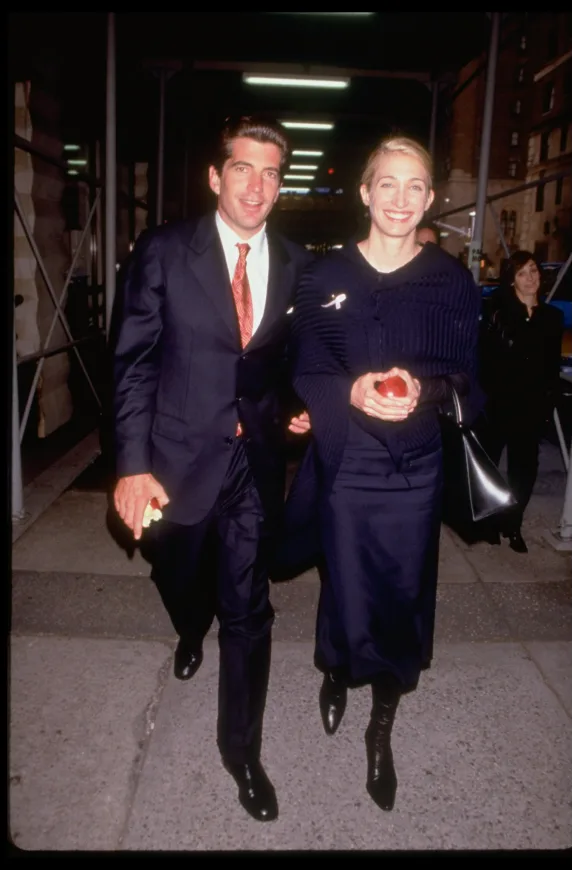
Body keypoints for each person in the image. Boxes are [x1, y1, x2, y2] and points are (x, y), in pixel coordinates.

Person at [112, 115, 312, 822]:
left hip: (252, 461)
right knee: (178, 571)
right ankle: (189, 623)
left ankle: (242, 751)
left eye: (271, 173)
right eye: (243, 169)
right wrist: (132, 466)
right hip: (173, 461)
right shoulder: (164, 252)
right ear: (215, 175)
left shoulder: (292, 261)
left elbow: (280, 360)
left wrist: (293, 406)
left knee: (250, 607)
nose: (257, 186)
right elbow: (133, 362)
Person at [287, 135, 482, 811]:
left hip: (415, 465)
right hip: (347, 456)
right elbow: (307, 367)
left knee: (402, 586)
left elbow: (470, 383)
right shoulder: (322, 277)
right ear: (365, 192)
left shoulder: (452, 281)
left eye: (416, 187)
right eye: (387, 184)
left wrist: (418, 390)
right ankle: (338, 669)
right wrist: (349, 391)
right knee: (342, 577)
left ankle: (383, 717)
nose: (401, 199)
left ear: (430, 198)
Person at [477, 250, 563, 553]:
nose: (531, 278)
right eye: (523, 273)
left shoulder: (553, 318)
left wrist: (547, 401)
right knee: (487, 466)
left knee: (524, 470)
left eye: (534, 271)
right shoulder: (498, 312)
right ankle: (487, 522)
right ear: (512, 280)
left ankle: (513, 524)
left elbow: (551, 366)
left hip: (531, 406)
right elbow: (484, 360)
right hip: (499, 403)